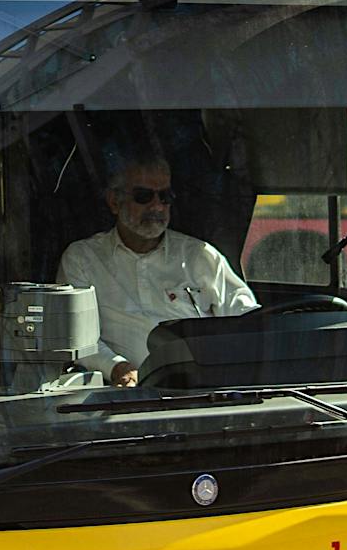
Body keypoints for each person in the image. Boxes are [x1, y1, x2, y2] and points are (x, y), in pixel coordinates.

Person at [59, 152, 257, 386]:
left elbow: (249, 324)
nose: (157, 206)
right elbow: (74, 336)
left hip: (202, 392)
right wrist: (116, 368)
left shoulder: (199, 256)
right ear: (114, 202)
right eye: (144, 196)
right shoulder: (83, 258)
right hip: (122, 397)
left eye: (165, 197)